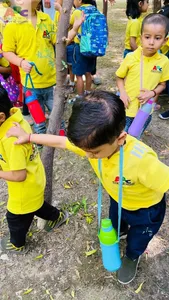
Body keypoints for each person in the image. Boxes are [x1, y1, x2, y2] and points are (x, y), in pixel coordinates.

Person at [7, 90, 169, 284]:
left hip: (146, 210)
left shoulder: (142, 161)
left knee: (138, 239)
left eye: (94, 153)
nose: (88, 156)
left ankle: (132, 256)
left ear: (119, 138)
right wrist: (29, 137)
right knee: (117, 223)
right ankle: (120, 232)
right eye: (86, 151)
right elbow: (60, 141)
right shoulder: (92, 143)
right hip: (118, 199)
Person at [0, 87, 69, 254]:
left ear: (1, 117)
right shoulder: (17, 120)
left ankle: (17, 244)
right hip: (35, 179)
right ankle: (57, 217)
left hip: (23, 188)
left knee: (15, 218)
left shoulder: (11, 141)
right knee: (36, 205)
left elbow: (19, 175)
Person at [116, 13, 169, 135]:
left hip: (145, 111)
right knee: (120, 139)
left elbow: (163, 84)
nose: (151, 42)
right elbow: (119, 77)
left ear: (165, 40)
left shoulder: (164, 61)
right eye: (147, 37)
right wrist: (122, 93)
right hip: (126, 108)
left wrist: (152, 93)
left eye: (157, 38)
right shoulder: (131, 57)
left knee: (134, 138)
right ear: (141, 37)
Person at [69, 0, 97, 100]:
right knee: (88, 72)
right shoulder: (95, 10)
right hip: (92, 47)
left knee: (79, 74)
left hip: (80, 47)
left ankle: (80, 96)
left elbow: (70, 23)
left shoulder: (78, 12)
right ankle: (88, 92)